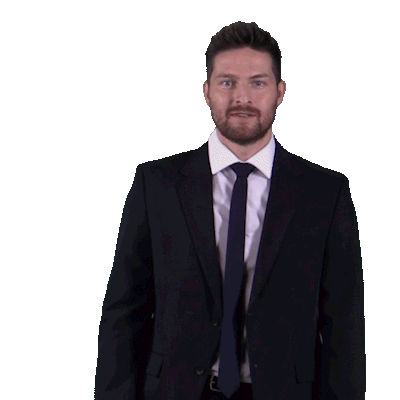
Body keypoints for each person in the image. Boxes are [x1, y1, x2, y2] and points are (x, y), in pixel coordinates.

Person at [94, 21, 366, 400]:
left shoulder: (325, 192)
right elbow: (124, 313)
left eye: (258, 83)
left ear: (280, 92)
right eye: (227, 82)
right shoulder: (156, 184)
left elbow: (344, 326)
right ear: (206, 91)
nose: (242, 97)